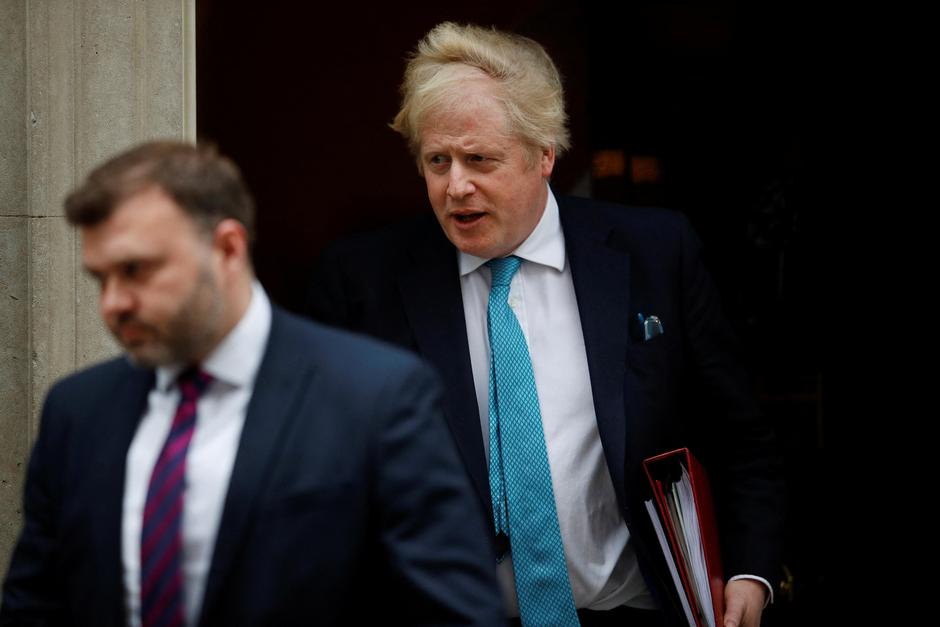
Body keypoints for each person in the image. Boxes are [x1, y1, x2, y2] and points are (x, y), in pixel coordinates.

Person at [306, 22, 785, 627]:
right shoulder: (362, 282)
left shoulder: (656, 252)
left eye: (479, 158)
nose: (456, 186)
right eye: (437, 160)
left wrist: (751, 571)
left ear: (544, 155)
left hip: (634, 611)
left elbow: (740, 434)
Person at [1, 141, 505, 626]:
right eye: (101, 278)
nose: (113, 303)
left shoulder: (375, 398)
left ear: (227, 248)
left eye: (135, 270)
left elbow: (453, 612)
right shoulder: (77, 409)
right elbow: (35, 604)